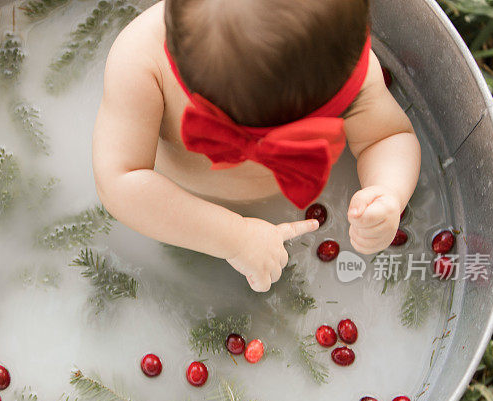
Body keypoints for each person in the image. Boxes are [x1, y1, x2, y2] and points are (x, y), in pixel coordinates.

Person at [92, 0, 420, 292]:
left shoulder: (341, 67)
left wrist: (387, 191)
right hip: (175, 213)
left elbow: (387, 136)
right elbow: (121, 180)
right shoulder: (141, 60)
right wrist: (233, 236)